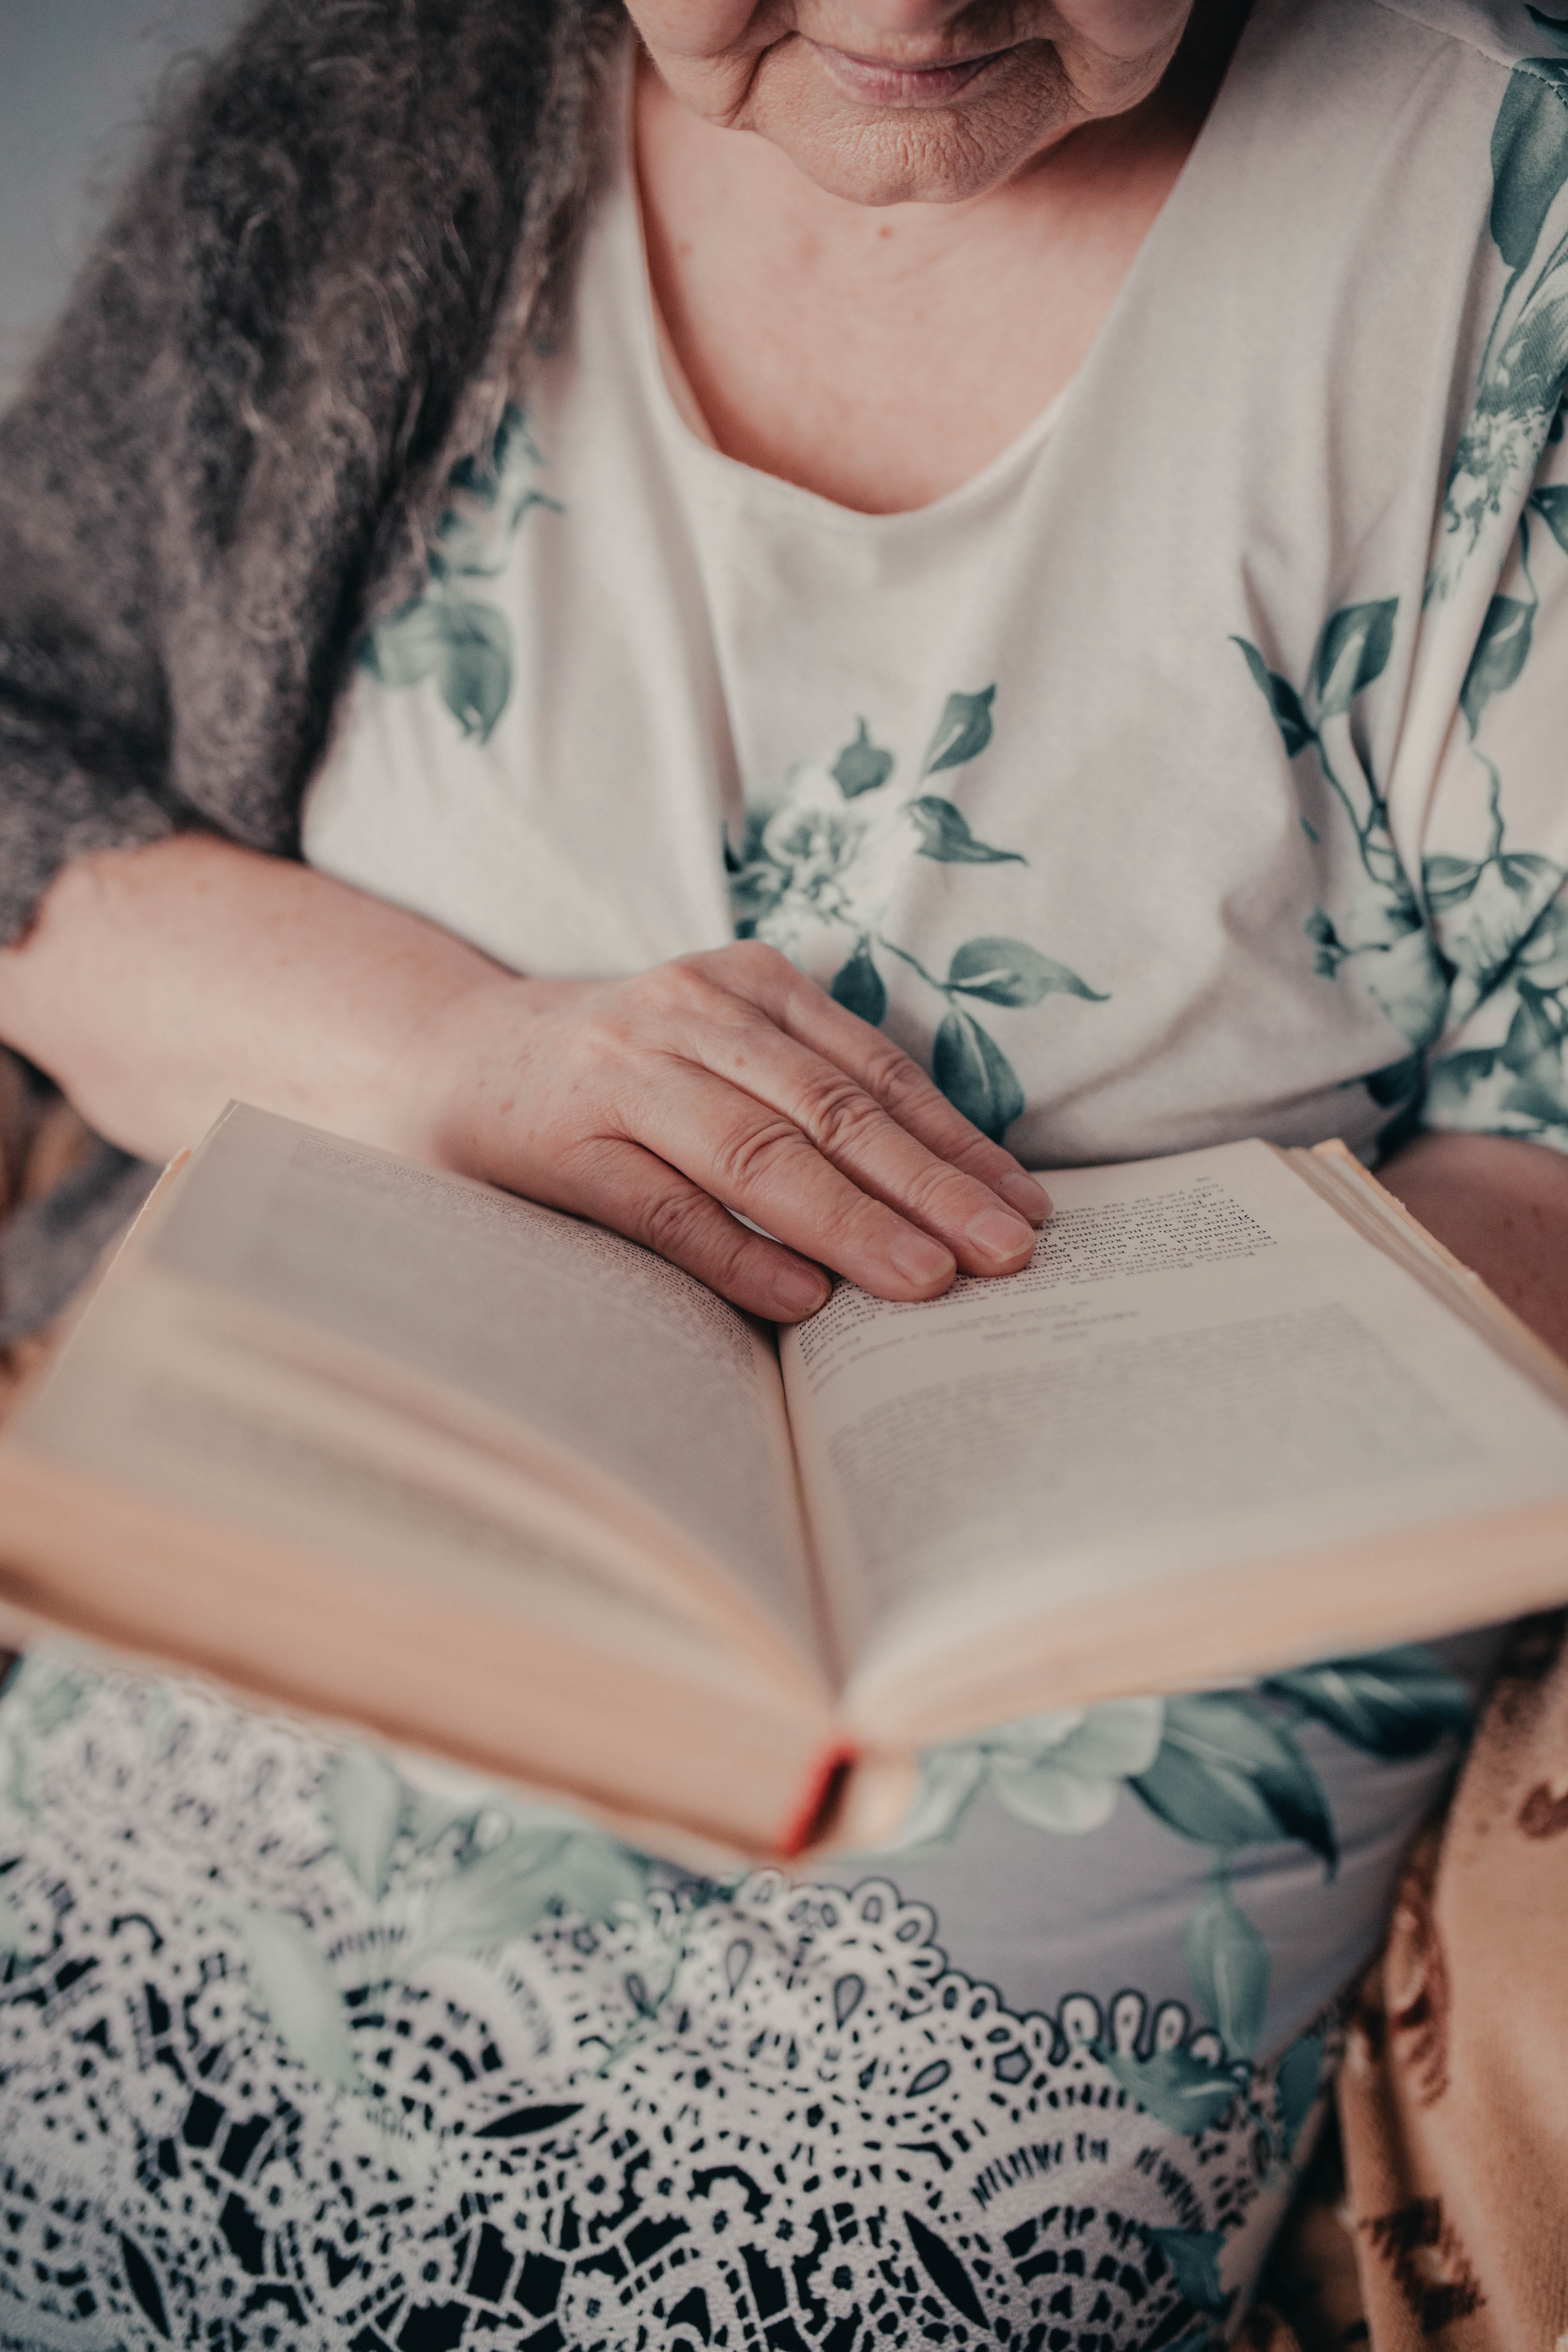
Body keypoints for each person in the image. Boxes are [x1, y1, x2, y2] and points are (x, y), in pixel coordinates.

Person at [0, 0, 1565, 2341]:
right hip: (351, 1553)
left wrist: (1098, 1432)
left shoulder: (1494, 225)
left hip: (1113, 1669)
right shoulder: (372, 106)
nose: (908, 10)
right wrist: (445, 1057)